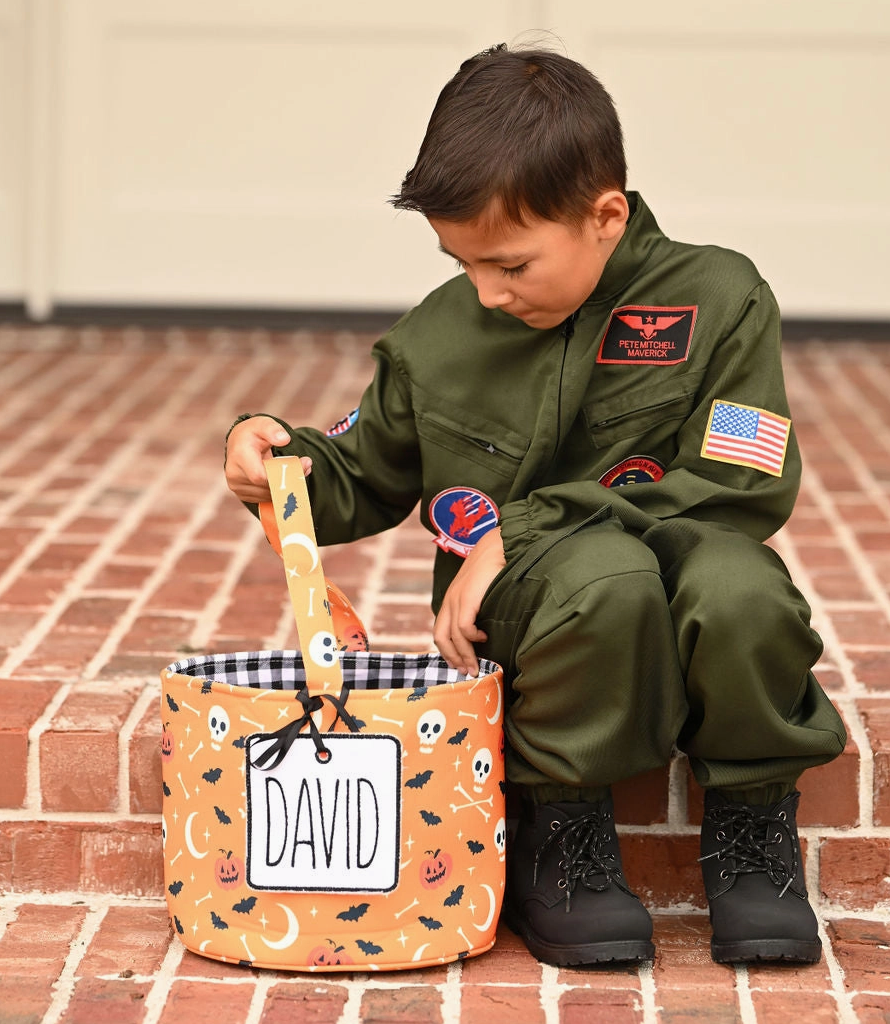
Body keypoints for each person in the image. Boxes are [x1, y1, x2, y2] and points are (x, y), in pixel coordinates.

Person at [224, 44, 846, 968]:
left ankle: (752, 830)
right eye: (460, 260)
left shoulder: (719, 298)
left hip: (675, 589)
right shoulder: (443, 334)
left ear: (605, 216)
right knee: (605, 576)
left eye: (510, 263)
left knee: (741, 583)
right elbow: (360, 473)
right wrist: (274, 457)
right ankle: (565, 832)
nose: (484, 289)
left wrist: (518, 529)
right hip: (547, 625)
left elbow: (741, 484)